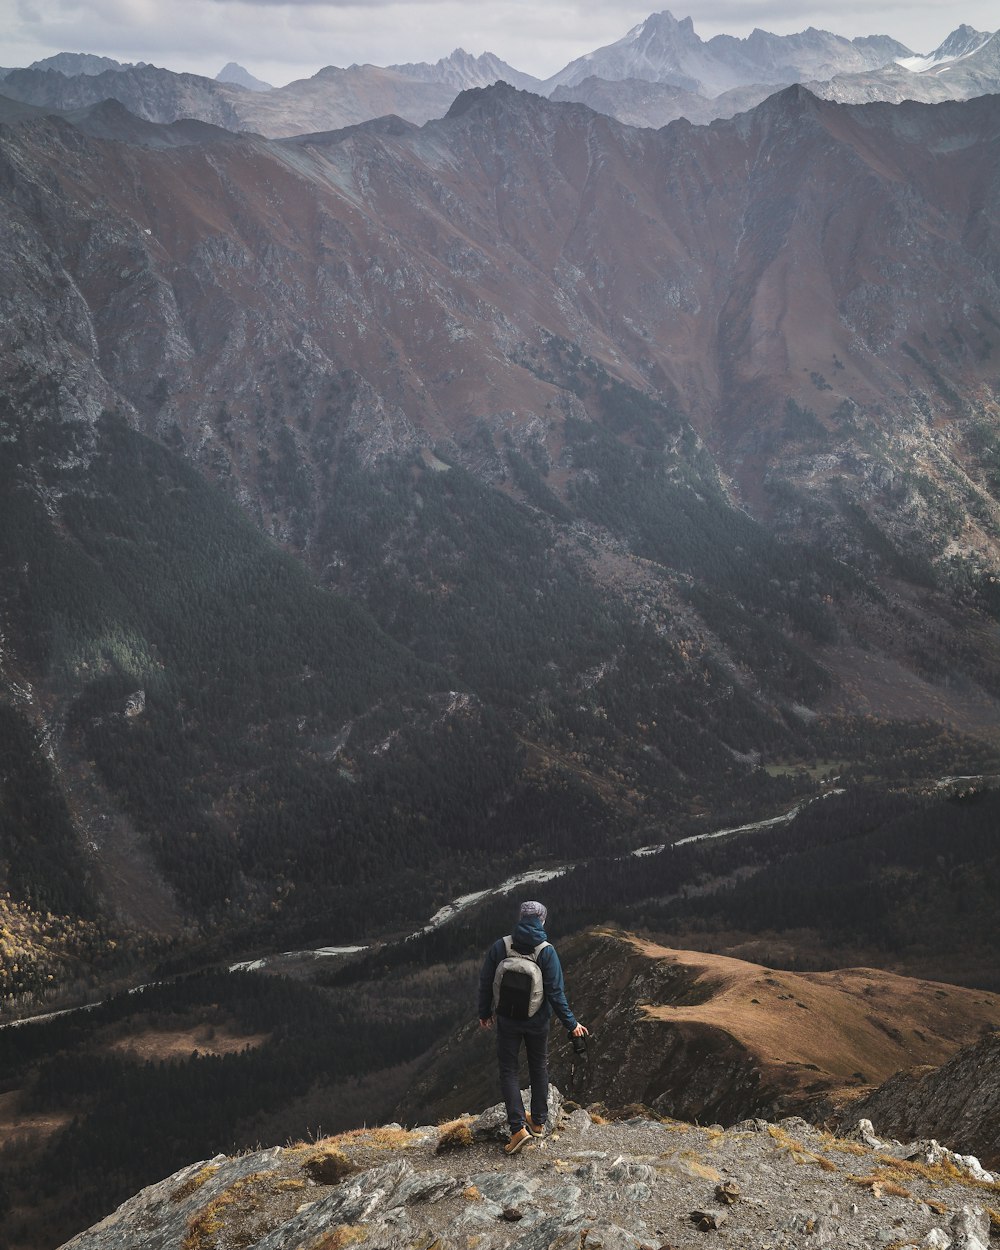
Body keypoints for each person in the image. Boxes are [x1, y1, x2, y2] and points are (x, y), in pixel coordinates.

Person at [478, 899, 588, 1154]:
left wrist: (485, 1013)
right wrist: (572, 1025)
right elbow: (556, 994)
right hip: (537, 1022)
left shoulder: (502, 946)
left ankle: (517, 1129)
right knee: (539, 1067)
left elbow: (486, 981)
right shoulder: (546, 951)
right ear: (542, 920)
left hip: (507, 1020)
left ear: (521, 918)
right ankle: (537, 1122)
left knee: (509, 1070)